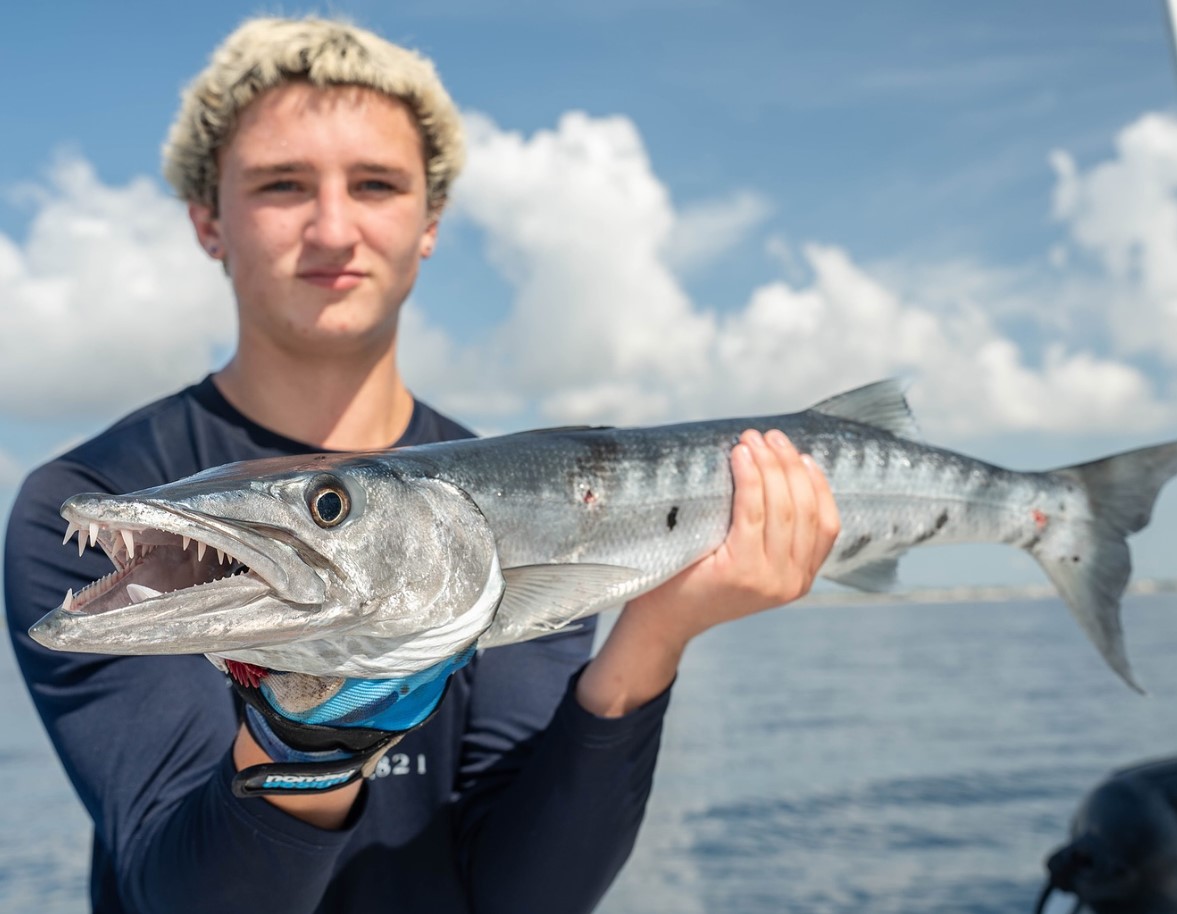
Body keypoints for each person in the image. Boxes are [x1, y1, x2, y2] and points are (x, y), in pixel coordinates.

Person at [4, 16, 841, 914]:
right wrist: (312, 723)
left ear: (429, 222)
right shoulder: (89, 508)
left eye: (376, 184)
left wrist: (655, 633)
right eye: (282, 185)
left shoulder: (530, 503)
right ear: (209, 222)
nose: (333, 229)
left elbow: (523, 893)